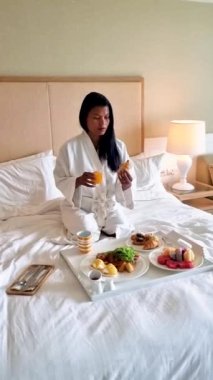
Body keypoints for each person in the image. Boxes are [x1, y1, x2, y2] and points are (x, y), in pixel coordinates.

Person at [54, 91, 135, 241]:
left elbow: (126, 186)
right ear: (85, 118)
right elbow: (59, 179)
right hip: (79, 208)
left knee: (122, 231)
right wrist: (77, 181)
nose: (103, 123)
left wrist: (126, 184)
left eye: (106, 117)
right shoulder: (69, 148)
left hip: (108, 206)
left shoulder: (118, 147)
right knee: (88, 234)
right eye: (97, 118)